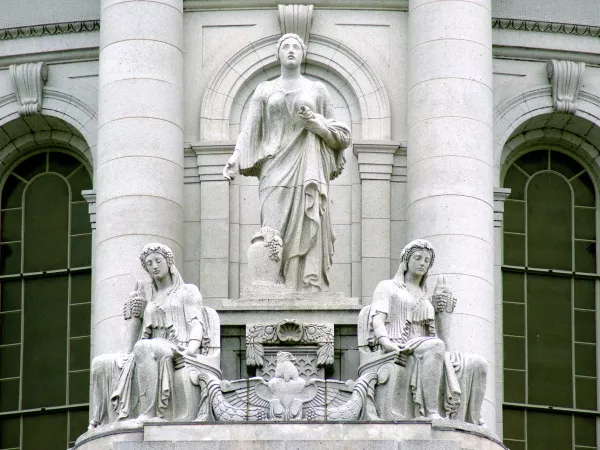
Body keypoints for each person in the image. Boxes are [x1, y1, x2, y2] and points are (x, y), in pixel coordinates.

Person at [223, 33, 351, 292]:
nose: (291, 50)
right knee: (271, 226)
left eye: (296, 47)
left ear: (303, 54)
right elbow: (249, 130)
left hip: (308, 165)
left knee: (306, 217)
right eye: (286, 47)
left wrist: (317, 125)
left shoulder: (317, 89)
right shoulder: (264, 89)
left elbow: (341, 136)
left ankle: (302, 285)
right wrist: (235, 158)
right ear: (278, 54)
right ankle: (269, 283)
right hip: (273, 165)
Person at [363, 239, 487, 424]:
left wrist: (444, 313)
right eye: (418, 258)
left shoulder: (426, 298)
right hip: (401, 344)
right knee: (435, 346)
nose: (422, 263)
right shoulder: (387, 287)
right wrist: (388, 344)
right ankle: (431, 413)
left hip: (430, 347)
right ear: (405, 261)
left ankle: (473, 419)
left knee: (478, 363)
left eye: (427, 260)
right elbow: (378, 321)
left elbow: (442, 339)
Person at [89, 243, 212, 428]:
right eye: (149, 263)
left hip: (177, 347)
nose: (154, 266)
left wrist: (191, 349)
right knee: (100, 363)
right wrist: (136, 310)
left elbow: (197, 323)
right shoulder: (151, 300)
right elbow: (140, 337)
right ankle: (99, 421)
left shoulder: (188, 291)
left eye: (158, 261)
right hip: (148, 348)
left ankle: (149, 415)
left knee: (145, 347)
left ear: (169, 262)